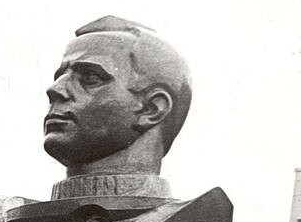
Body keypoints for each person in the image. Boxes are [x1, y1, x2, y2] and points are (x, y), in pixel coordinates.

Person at [43, 16, 191, 175]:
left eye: (90, 78)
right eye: (60, 76)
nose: (55, 89)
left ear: (151, 109)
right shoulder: (15, 200)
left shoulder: (211, 202)